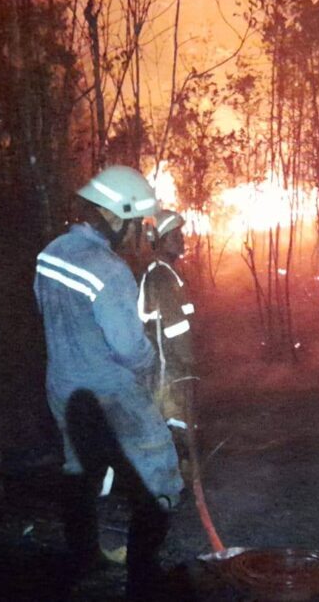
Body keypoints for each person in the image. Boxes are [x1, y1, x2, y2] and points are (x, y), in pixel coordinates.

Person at [33, 165, 184, 597]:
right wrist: (152, 363)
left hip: (63, 387)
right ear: (119, 215)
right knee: (160, 482)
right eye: (137, 223)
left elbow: (47, 314)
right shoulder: (110, 270)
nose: (137, 233)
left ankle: (84, 560)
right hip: (111, 395)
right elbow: (128, 347)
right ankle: (144, 577)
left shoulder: (51, 253)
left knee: (81, 472)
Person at [138, 209, 198, 470]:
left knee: (176, 426)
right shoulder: (161, 276)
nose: (182, 239)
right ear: (160, 242)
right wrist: (188, 365)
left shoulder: (165, 273)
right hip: (169, 372)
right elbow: (175, 330)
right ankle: (176, 485)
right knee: (176, 426)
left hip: (170, 369)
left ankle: (176, 480)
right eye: (176, 235)